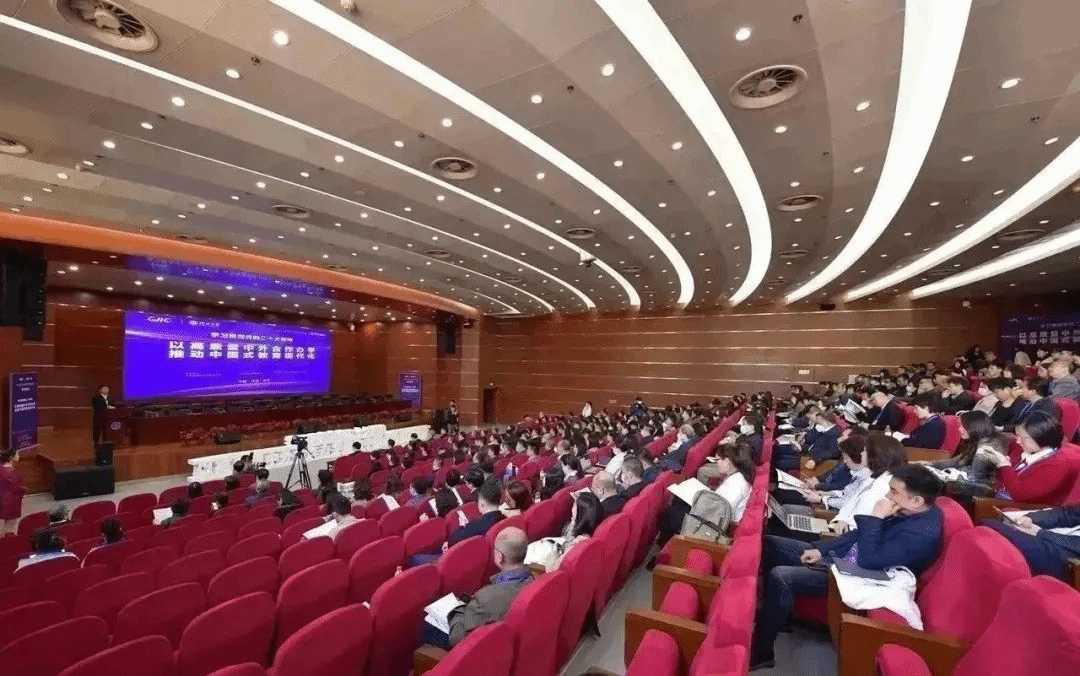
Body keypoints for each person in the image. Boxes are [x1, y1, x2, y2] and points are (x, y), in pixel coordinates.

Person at [750, 464, 945, 671]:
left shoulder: (922, 533)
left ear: (917, 501)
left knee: (781, 576)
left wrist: (876, 517)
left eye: (894, 492)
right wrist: (821, 550)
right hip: (846, 558)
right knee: (771, 544)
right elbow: (857, 535)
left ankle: (762, 652)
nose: (887, 496)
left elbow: (869, 560)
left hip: (862, 575)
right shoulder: (907, 510)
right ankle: (781, 615)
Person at [422, 527, 533, 649]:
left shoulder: (487, 596)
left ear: (499, 556)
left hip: (480, 645)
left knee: (426, 622)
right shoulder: (532, 579)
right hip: (506, 634)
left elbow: (457, 635)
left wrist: (455, 611)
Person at [657, 438, 754, 547]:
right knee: (678, 500)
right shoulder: (737, 477)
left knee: (673, 513)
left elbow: (719, 512)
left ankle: (666, 547)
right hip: (716, 514)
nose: (717, 464)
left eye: (718, 460)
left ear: (727, 461)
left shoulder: (736, 484)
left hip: (717, 526)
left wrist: (698, 502)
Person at [979, 412, 1080, 504]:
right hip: (1000, 496)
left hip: (1021, 508)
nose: (1018, 441)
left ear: (1040, 436)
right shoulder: (1032, 452)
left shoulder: (1058, 464)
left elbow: (1020, 495)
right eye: (1017, 436)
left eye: (1022, 437)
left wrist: (1003, 465)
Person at [982, 504, 1080, 580]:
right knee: (989, 526)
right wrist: (1029, 519)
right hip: (1059, 539)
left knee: (993, 533)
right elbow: (1067, 514)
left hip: (1072, 558)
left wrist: (1040, 532)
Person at [925, 410, 999, 490]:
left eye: (963, 426)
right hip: (959, 482)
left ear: (974, 426)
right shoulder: (972, 442)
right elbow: (955, 462)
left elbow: (975, 477)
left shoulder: (988, 447)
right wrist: (929, 464)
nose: (959, 429)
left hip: (974, 489)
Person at [536, 491, 603, 572]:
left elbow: (553, 570)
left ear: (580, 515)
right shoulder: (592, 532)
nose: (572, 510)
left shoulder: (576, 545)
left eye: (574, 506)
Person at [447, 478, 506, 547]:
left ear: (482, 504)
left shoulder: (475, 527)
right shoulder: (505, 519)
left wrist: (462, 527)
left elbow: (452, 541)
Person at [0, 449, 24, 535]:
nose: (18, 456)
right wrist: (24, 490)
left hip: (3, 498)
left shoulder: (1, 468)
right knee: (10, 526)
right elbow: (17, 487)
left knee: (6, 525)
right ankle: (6, 541)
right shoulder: (11, 473)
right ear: (11, 457)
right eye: (17, 455)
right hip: (12, 500)